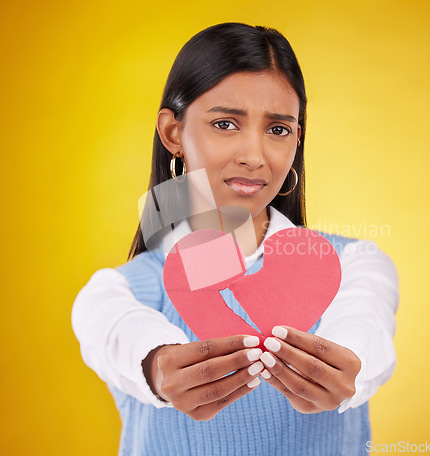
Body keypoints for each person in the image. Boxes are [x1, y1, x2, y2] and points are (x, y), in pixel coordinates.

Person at [72, 22, 399, 456]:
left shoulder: (355, 263)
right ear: (173, 134)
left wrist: (347, 366)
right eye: (225, 123)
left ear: (297, 139)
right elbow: (116, 330)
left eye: (278, 130)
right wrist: (159, 365)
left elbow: (366, 322)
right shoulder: (122, 290)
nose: (254, 155)